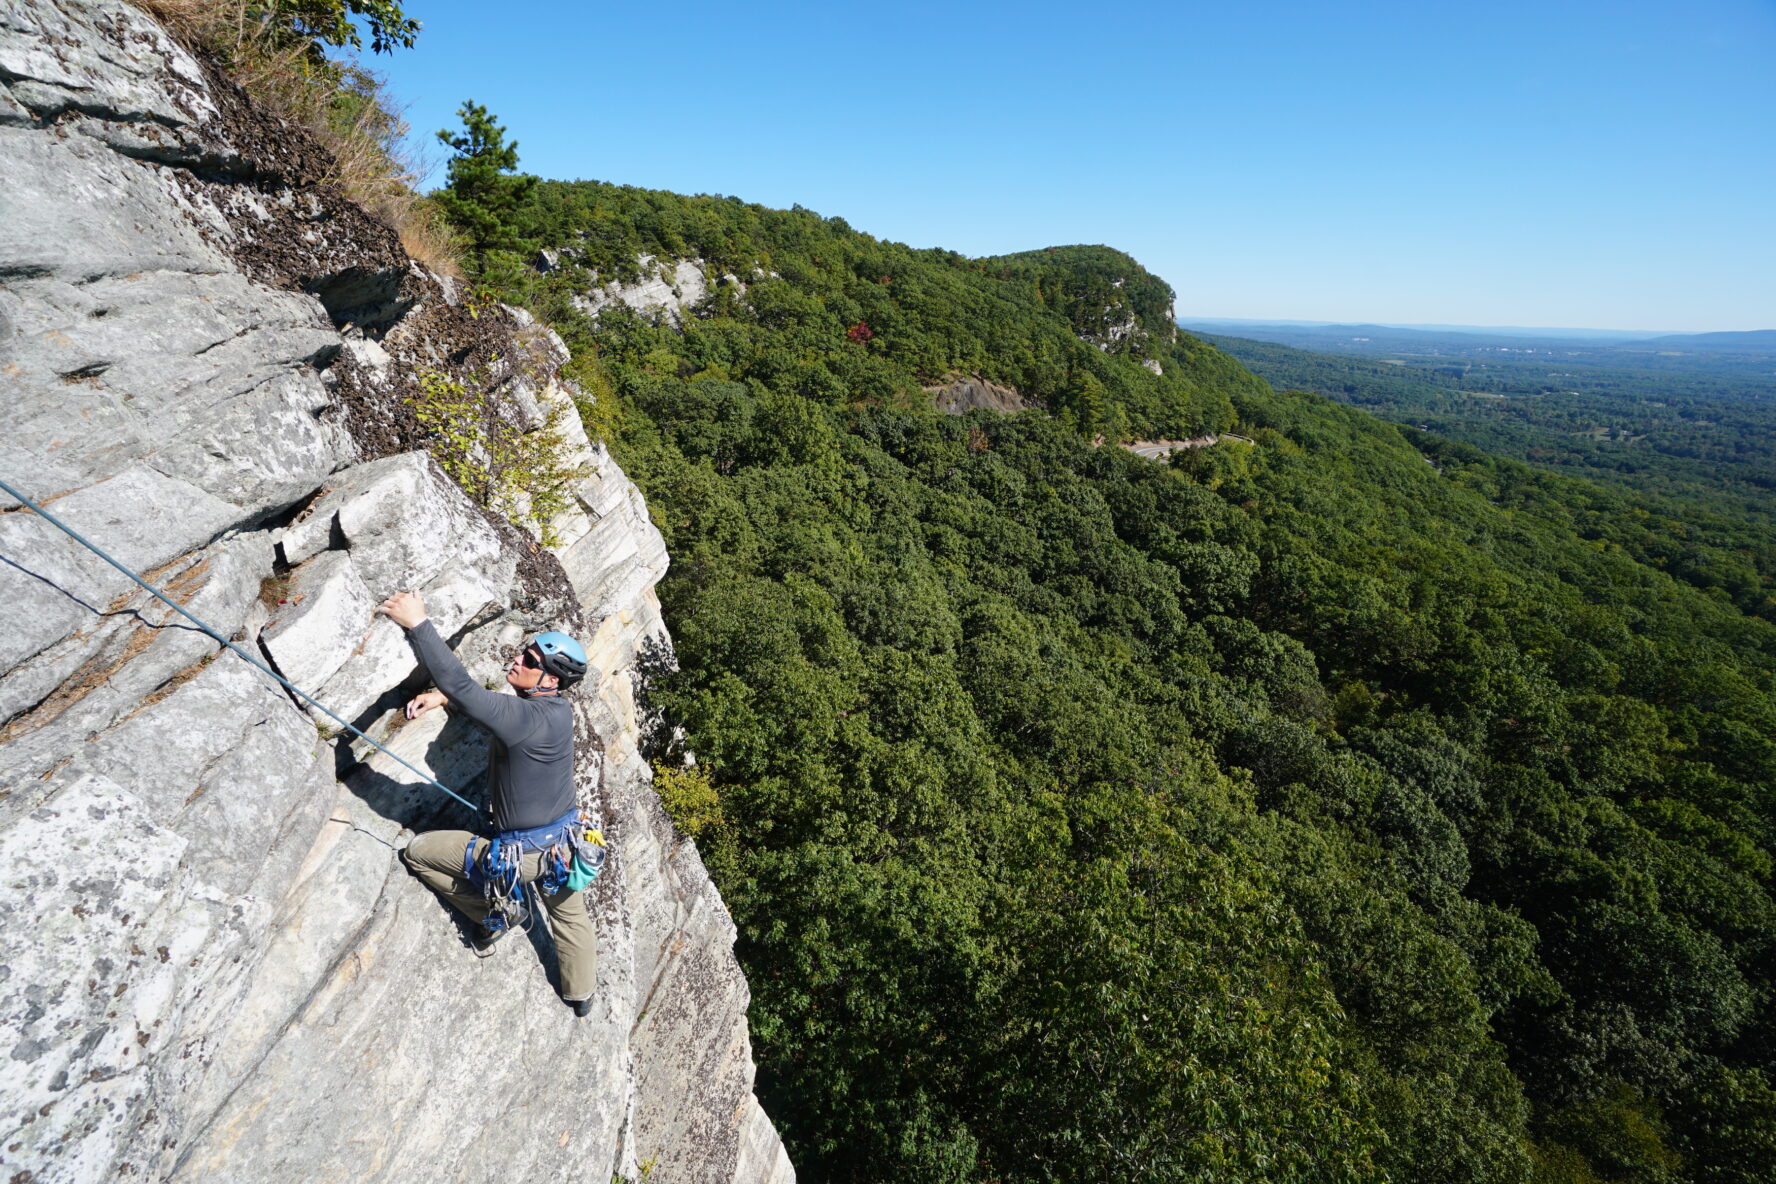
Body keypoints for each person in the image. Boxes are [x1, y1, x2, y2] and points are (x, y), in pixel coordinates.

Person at [377, 590, 598, 1017]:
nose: (519, 660)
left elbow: (465, 687)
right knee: (570, 915)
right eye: (525, 652)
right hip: (566, 844)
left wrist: (418, 624)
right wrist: (445, 699)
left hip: (523, 853)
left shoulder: (524, 719)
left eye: (531, 662)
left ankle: (493, 912)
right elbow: (482, 705)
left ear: (550, 680)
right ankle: (581, 994)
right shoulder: (556, 712)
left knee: (418, 853)